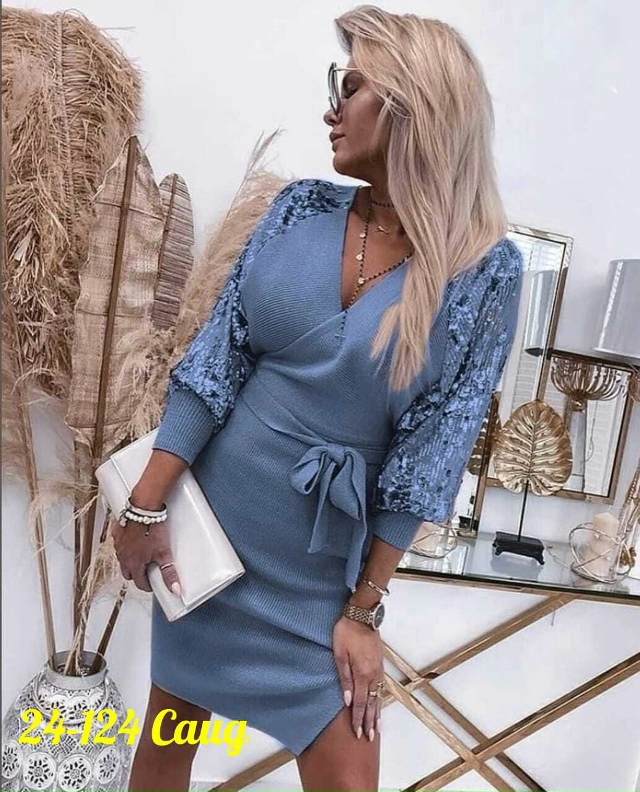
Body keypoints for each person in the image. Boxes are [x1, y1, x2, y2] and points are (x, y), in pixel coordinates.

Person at [114, 6, 523, 791]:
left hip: (317, 582)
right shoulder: (300, 208)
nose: (332, 107)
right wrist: (146, 505)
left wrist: (364, 610)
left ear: (410, 107)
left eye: (352, 86)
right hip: (212, 548)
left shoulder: (484, 271)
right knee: (165, 749)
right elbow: (216, 361)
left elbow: (433, 453)